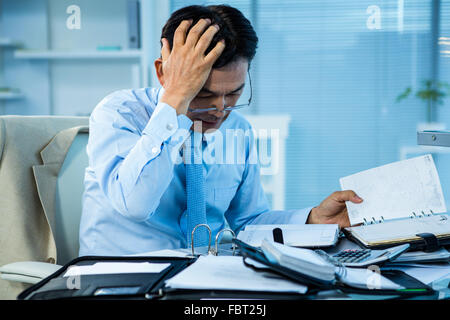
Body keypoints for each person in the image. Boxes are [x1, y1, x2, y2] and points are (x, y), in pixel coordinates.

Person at [79, 4, 362, 256]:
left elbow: (249, 223)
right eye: (202, 94)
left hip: (205, 280)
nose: (220, 109)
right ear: (163, 73)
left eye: (234, 94)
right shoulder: (117, 114)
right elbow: (135, 204)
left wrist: (313, 219)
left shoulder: (238, 130)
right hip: (121, 280)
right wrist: (176, 98)